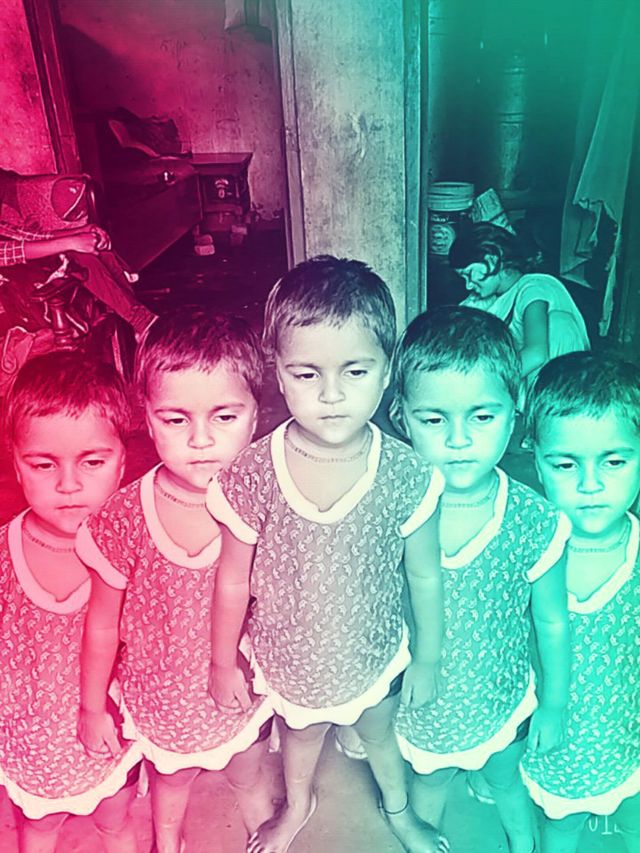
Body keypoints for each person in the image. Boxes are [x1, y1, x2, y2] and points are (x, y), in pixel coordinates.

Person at [207, 256, 450, 853]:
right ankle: (298, 805)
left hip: (374, 655)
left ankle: (398, 811)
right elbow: (232, 580)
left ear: (387, 370)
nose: (332, 395)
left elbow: (424, 574)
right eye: (307, 373)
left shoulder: (404, 474)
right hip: (291, 660)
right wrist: (220, 661)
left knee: (381, 735)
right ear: (277, 371)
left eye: (355, 371)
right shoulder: (255, 473)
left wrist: (426, 659)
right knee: (301, 736)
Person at [76, 309, 275, 853]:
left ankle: (263, 825)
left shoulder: (266, 501)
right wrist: (92, 707)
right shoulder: (125, 517)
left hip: (242, 688)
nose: (200, 440)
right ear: (146, 416)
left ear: (255, 415)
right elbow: (102, 623)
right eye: (175, 419)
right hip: (163, 699)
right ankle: (169, 839)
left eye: (224, 416)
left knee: (249, 770)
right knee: (172, 782)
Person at [389, 305, 571, 853]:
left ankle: (523, 843)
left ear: (515, 414)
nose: (459, 439)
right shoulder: (392, 508)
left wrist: (554, 704)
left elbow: (552, 621)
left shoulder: (534, 519)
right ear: (401, 417)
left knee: (505, 780)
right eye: (434, 419)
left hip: (503, 697)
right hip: (427, 706)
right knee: (430, 784)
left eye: (482, 417)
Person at [0, 351, 142, 853]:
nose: (68, 485)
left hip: (111, 742)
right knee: (39, 831)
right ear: (16, 463)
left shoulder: (137, 549)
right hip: (34, 750)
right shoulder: (3, 557)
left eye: (92, 462)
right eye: (43, 464)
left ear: (121, 462)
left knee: (116, 824)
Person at [520, 352, 640, 853]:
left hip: (629, 732)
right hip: (558, 740)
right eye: (566, 464)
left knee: (632, 815)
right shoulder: (525, 547)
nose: (591, 485)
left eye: (614, 461)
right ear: (537, 460)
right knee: (562, 826)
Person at [449, 222, 589, 408]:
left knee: (559, 324)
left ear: (491, 260)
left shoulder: (533, 287)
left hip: (556, 388)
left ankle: (548, 411)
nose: (468, 285)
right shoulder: (486, 300)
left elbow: (537, 353)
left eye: (469, 274)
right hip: (518, 385)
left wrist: (485, 387)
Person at [0, 219, 155, 339]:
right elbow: (10, 253)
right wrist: (71, 242)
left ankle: (137, 324)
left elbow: (33, 237)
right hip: (15, 296)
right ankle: (142, 323)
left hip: (31, 273)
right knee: (82, 257)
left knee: (99, 251)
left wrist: (82, 231)